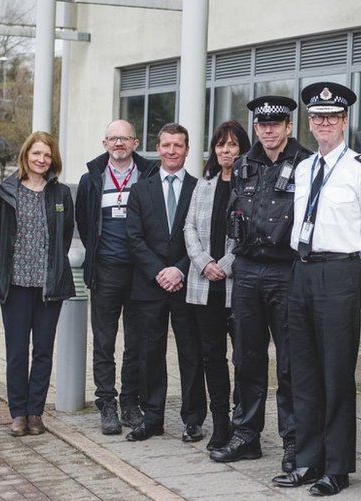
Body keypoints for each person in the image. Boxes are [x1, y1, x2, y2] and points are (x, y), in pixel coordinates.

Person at [271, 82, 361, 496]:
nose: (324, 123)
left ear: (344, 122)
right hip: (301, 271)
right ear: (309, 123)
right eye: (318, 117)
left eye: (332, 117)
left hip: (339, 274)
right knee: (300, 372)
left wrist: (352, 275)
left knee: (336, 374)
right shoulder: (303, 169)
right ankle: (307, 461)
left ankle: (337, 468)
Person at [209, 96, 312, 471]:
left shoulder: (304, 164)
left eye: (276, 124)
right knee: (247, 358)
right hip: (249, 270)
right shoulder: (244, 165)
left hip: (286, 271)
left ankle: (293, 439)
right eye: (262, 125)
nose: (269, 130)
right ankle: (246, 435)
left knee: (289, 361)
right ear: (255, 129)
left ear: (288, 127)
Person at [0, 132, 76, 437]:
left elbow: (64, 239)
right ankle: (17, 413)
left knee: (43, 350)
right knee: (16, 351)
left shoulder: (61, 194)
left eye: (47, 155)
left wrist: (51, 267)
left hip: (47, 286)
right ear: (26, 155)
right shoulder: (6, 192)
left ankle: (35, 413)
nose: (41, 160)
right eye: (36, 154)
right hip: (15, 285)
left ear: (53, 160)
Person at [76, 120, 158, 435]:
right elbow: (85, 224)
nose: (118, 143)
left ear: (135, 142)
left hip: (140, 271)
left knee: (136, 341)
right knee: (104, 341)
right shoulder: (91, 179)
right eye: (113, 138)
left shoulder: (149, 176)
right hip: (106, 270)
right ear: (104, 143)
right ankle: (106, 403)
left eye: (124, 138)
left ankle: (130, 402)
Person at [125, 123, 202, 443]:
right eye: (167, 145)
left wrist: (180, 270)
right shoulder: (141, 190)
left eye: (178, 145)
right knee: (150, 353)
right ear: (158, 149)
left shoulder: (200, 189)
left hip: (188, 284)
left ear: (187, 149)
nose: (172, 151)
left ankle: (194, 419)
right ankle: (152, 417)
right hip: (150, 285)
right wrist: (160, 271)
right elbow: (134, 237)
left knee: (191, 355)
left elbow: (204, 236)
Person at [184, 121, 251, 451]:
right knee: (212, 358)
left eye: (233, 145)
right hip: (203, 287)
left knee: (242, 359)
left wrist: (223, 266)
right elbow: (189, 228)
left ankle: (243, 424)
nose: (226, 150)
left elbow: (250, 236)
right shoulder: (204, 183)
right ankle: (220, 423)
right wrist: (203, 263)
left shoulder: (249, 183)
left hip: (236, 288)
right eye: (221, 145)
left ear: (243, 149)